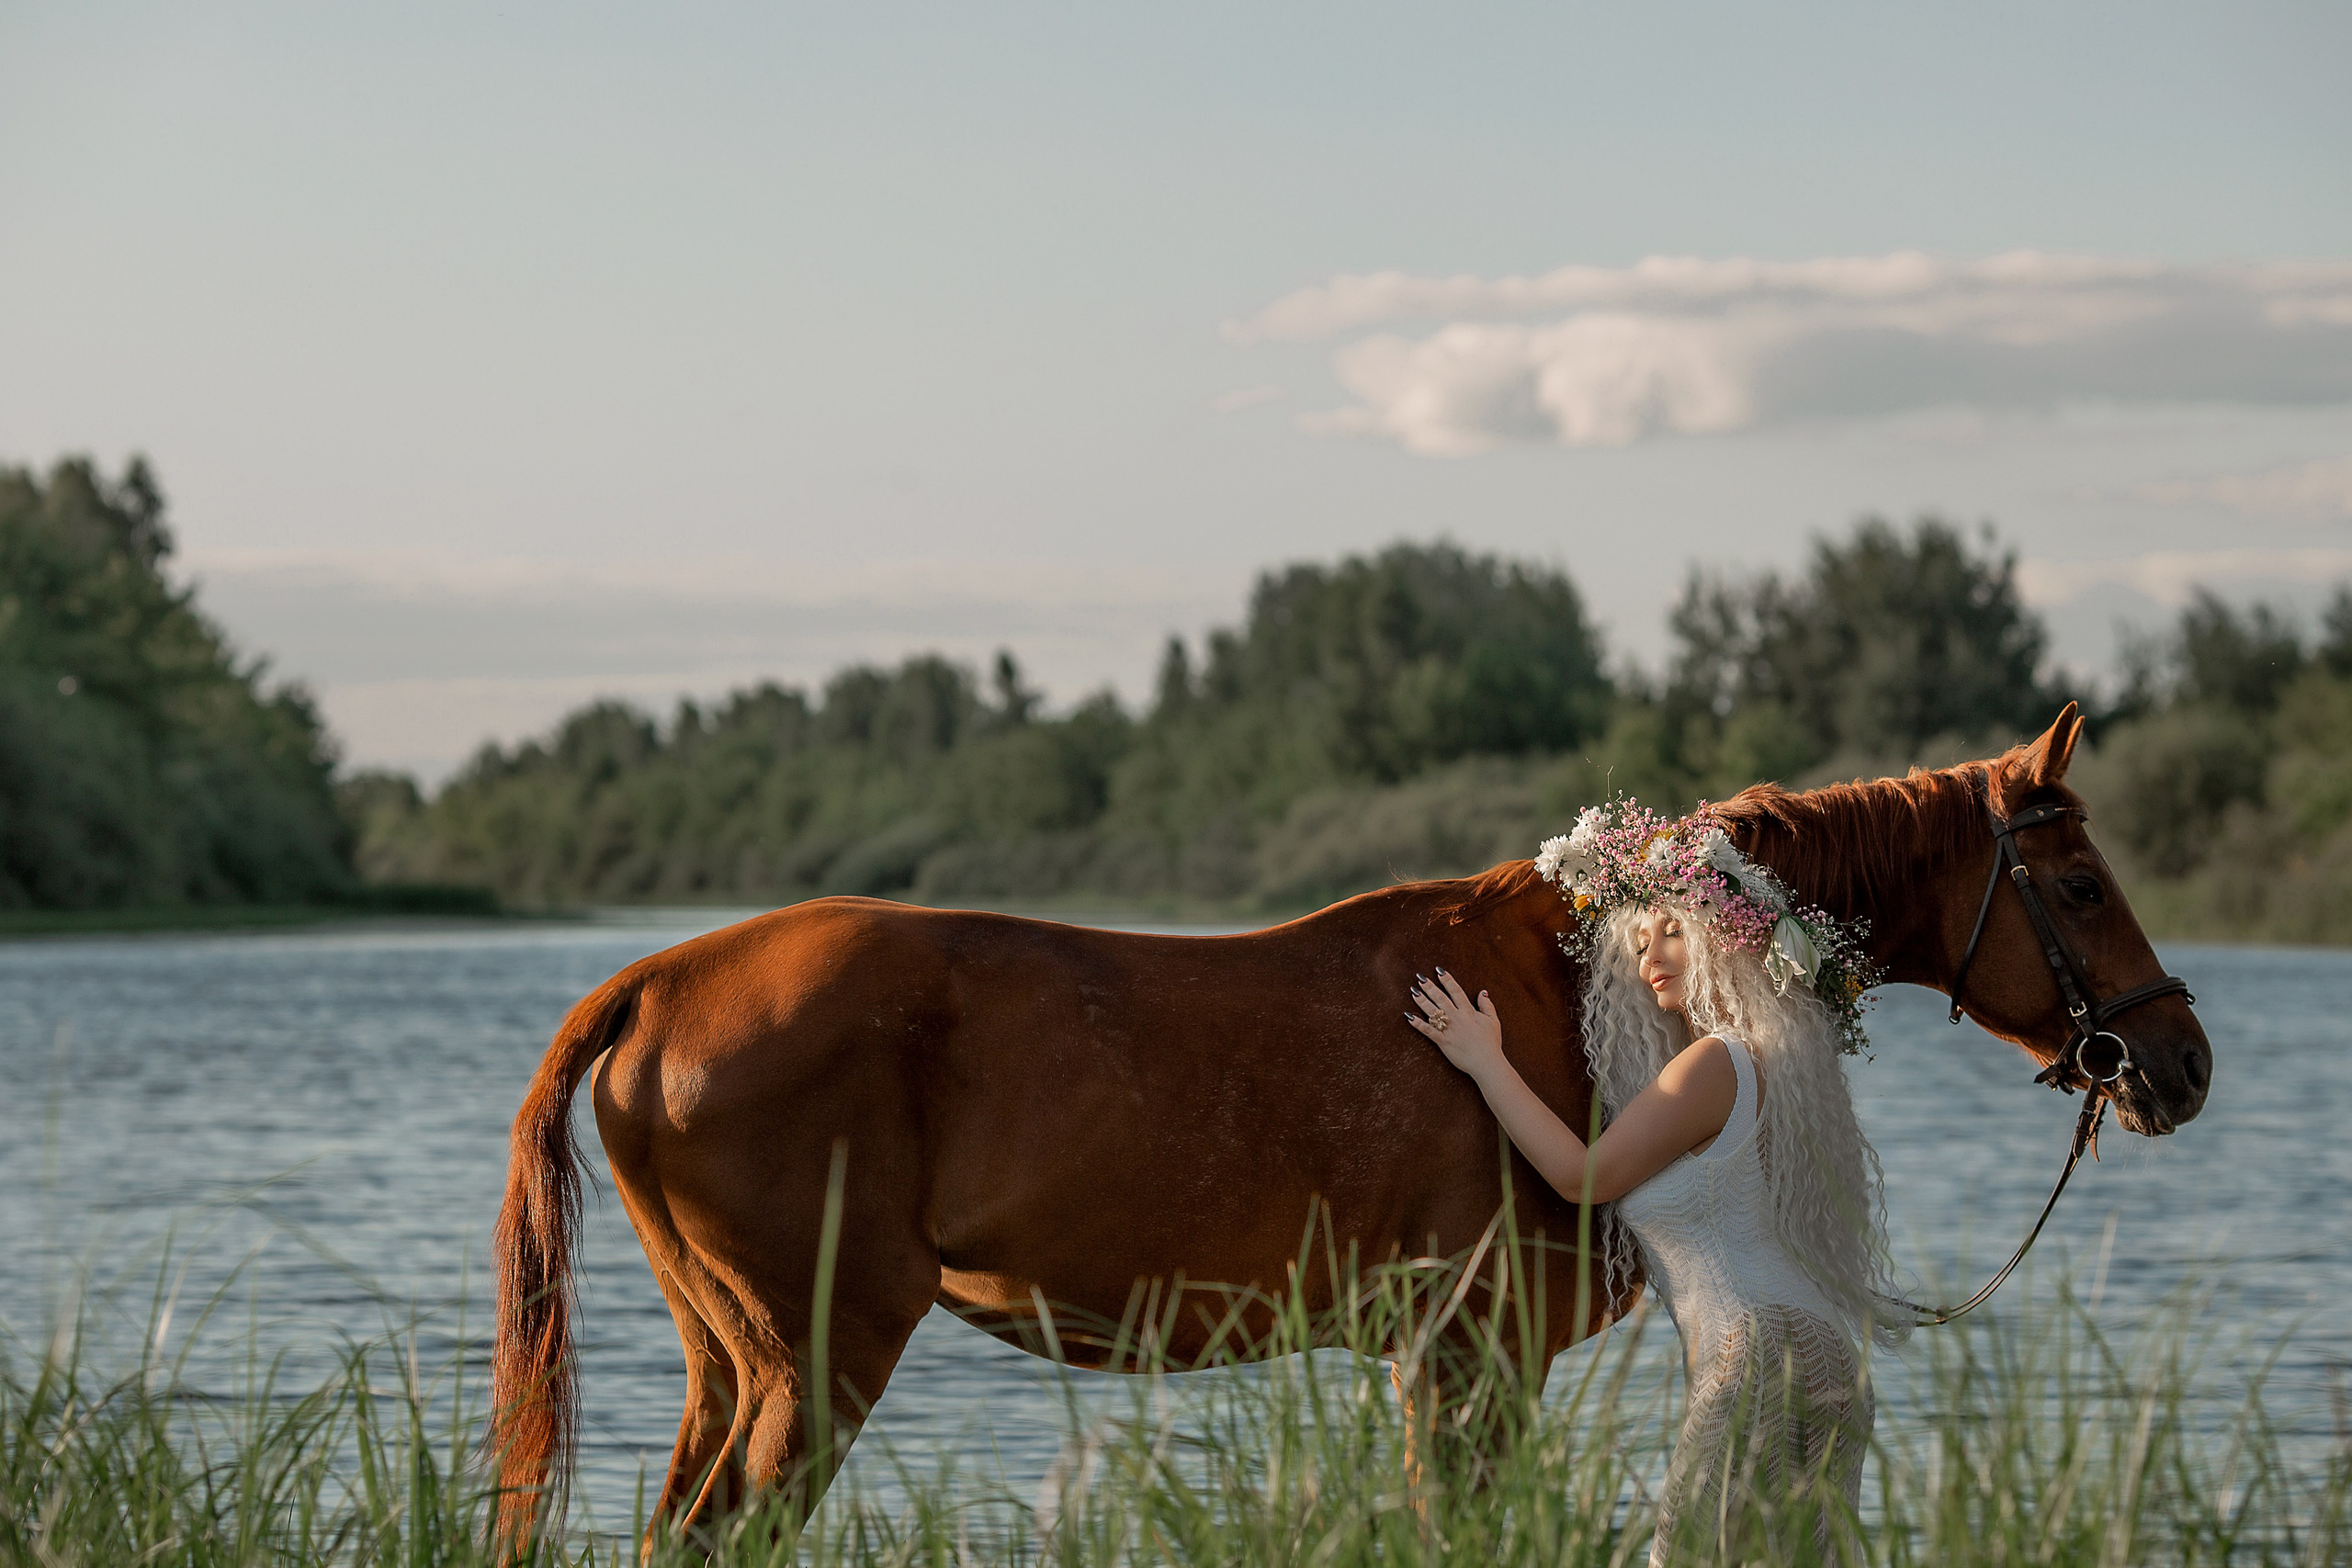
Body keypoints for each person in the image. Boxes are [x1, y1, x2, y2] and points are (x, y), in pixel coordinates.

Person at [1406, 801, 1903, 1565]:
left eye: (1672, 928)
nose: (1652, 955)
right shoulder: (1763, 1062)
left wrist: (1484, 1059)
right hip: (1814, 1349)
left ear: (1725, 932)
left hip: (1759, 1350)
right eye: (1639, 942)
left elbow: (1582, 1177)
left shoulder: (1713, 1064)